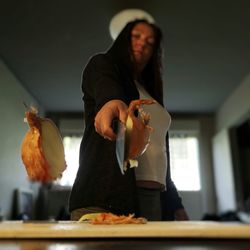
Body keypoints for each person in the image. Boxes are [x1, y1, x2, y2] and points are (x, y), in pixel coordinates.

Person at [69, 18, 188, 221]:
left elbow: (159, 154)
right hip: (106, 195)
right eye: (136, 36)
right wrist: (111, 101)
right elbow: (106, 87)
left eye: (150, 42)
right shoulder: (103, 65)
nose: (143, 43)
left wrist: (175, 203)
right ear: (123, 39)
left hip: (155, 199)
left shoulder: (151, 96)